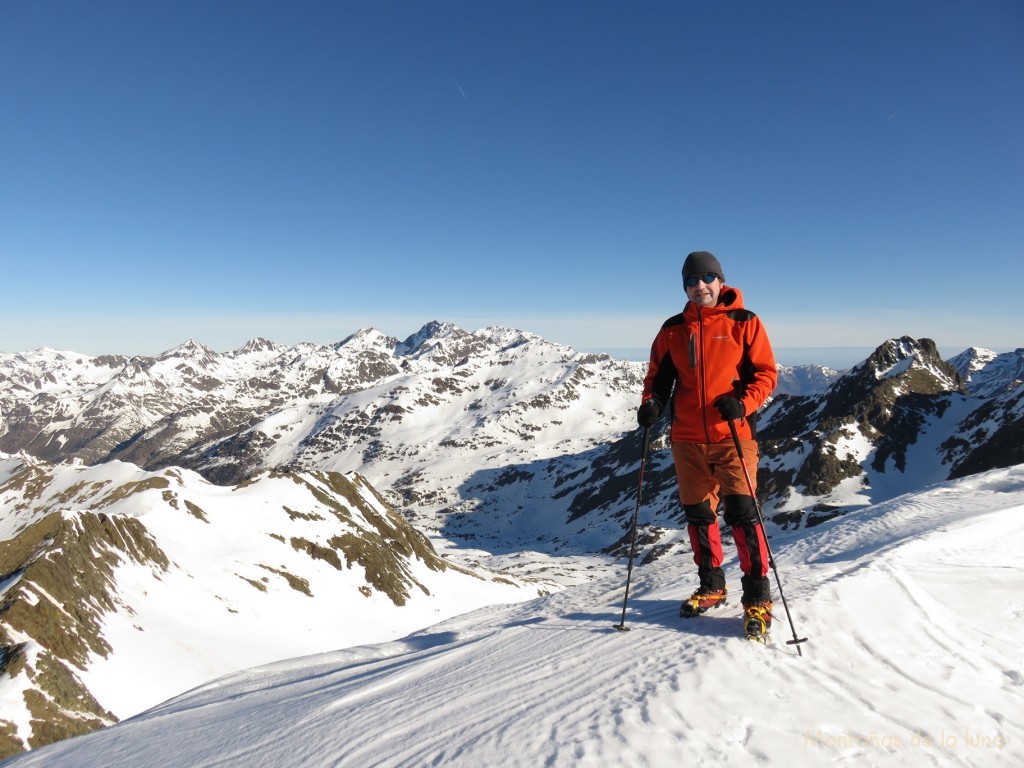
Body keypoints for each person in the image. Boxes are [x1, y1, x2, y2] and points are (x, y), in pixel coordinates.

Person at [637, 250, 778, 638]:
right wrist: (652, 405)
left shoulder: (744, 322)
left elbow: (766, 375)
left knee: (743, 514)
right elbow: (658, 379)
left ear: (720, 280)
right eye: (690, 281)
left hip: (732, 434)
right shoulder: (672, 329)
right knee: (699, 517)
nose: (698, 286)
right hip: (686, 438)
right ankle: (713, 585)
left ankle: (758, 597)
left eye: (705, 278)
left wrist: (743, 404)